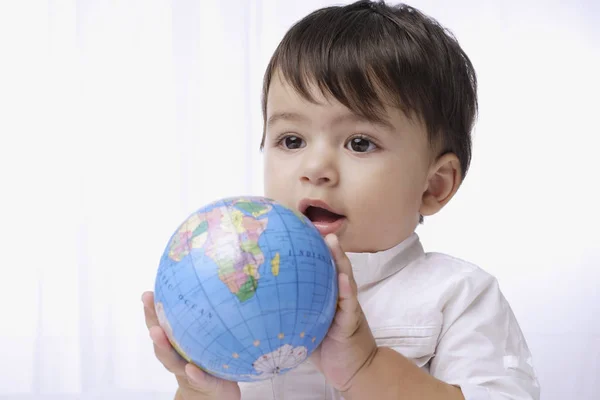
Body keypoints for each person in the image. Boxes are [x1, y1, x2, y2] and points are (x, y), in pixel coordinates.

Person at [142, 1, 540, 399]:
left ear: (433, 185)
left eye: (359, 143)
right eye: (291, 140)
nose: (315, 168)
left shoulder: (459, 296)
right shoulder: (233, 289)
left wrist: (365, 368)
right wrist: (199, 388)